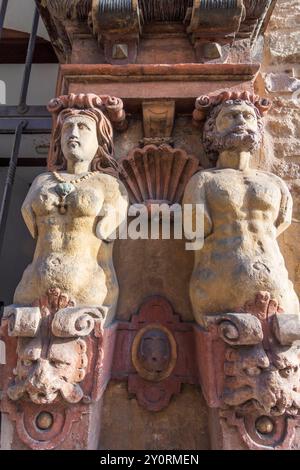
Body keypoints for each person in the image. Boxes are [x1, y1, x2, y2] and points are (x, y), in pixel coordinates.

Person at [183, 91, 299, 324]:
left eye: (247, 116)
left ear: (258, 127)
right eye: (231, 116)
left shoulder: (275, 183)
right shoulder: (203, 181)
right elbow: (195, 233)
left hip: (277, 283)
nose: (241, 121)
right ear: (212, 131)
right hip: (220, 288)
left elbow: (280, 224)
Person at [14, 94, 128, 324]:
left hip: (88, 291)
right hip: (31, 288)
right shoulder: (41, 182)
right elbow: (30, 222)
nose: (73, 134)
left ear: (100, 141)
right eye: (67, 129)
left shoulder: (109, 185)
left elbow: (110, 231)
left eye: (83, 127)